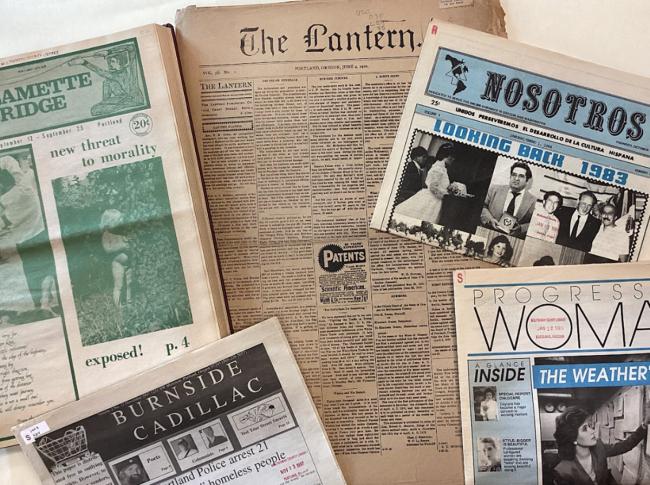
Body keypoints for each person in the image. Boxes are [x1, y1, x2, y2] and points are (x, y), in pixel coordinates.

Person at [553, 406, 647, 485]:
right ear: (573, 437)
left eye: (590, 426)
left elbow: (625, 445)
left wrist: (644, 425)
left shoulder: (599, 447)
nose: (593, 431)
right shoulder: (563, 472)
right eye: (585, 428)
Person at [393, 143, 455, 225]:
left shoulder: (442, 168)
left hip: (436, 199)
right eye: (452, 157)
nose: (453, 159)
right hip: (432, 199)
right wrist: (445, 197)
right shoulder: (438, 167)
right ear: (448, 156)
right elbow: (433, 187)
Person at [480, 162, 536, 238]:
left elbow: (534, 223)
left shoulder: (533, 201)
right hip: (487, 232)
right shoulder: (494, 189)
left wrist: (521, 228)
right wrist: (490, 219)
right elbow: (482, 206)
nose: (516, 179)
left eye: (521, 176)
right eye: (514, 175)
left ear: (527, 181)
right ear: (510, 176)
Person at [101, 209, 132, 307]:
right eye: (118, 221)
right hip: (117, 264)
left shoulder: (120, 232)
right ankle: (118, 306)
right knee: (119, 285)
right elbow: (107, 249)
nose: (121, 223)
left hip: (128, 263)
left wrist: (128, 242)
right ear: (110, 222)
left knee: (129, 283)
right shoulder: (106, 235)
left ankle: (129, 303)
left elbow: (126, 241)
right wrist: (122, 246)